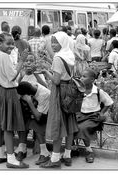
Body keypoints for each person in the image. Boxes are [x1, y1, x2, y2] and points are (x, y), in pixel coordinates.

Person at [0, 32, 29, 168]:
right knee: (8, 126)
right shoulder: (5, 57)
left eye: (13, 43)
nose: (11, 46)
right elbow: (12, 76)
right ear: (0, 44)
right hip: (7, 92)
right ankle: (11, 159)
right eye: (8, 43)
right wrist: (22, 60)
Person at [40, 31, 78, 168]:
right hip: (69, 93)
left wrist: (45, 71)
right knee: (68, 124)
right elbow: (64, 71)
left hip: (59, 93)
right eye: (52, 42)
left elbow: (56, 80)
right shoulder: (69, 55)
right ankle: (67, 155)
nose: (53, 45)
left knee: (58, 125)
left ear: (62, 42)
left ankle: (55, 158)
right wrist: (49, 62)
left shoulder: (58, 58)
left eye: (56, 42)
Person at [75, 68, 113, 163]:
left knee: (83, 128)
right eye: (81, 76)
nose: (81, 78)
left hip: (93, 116)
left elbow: (109, 103)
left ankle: (89, 151)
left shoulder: (98, 91)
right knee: (71, 126)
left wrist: (101, 113)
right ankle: (71, 148)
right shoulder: (79, 90)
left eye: (84, 76)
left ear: (92, 80)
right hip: (80, 115)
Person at [16, 81, 51, 165]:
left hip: (47, 116)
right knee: (21, 119)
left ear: (28, 95)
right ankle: (22, 148)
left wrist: (29, 102)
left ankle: (45, 153)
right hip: (34, 113)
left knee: (36, 123)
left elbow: (39, 117)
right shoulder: (33, 86)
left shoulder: (44, 94)